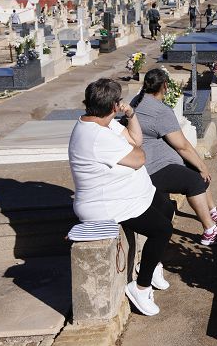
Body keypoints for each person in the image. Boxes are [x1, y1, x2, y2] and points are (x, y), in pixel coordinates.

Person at [68, 78, 173, 316]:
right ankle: (141, 287)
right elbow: (140, 157)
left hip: (127, 194)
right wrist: (133, 153)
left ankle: (152, 263)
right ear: (114, 106)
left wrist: (132, 114)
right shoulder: (97, 136)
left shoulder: (100, 123)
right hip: (108, 205)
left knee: (166, 207)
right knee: (162, 230)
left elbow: (136, 141)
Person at [132, 69, 217, 246]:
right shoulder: (160, 111)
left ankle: (212, 210)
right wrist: (203, 166)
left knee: (194, 167)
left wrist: (198, 164)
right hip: (153, 168)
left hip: (153, 162)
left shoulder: (137, 101)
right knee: (196, 179)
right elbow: (182, 146)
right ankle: (210, 232)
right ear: (165, 86)